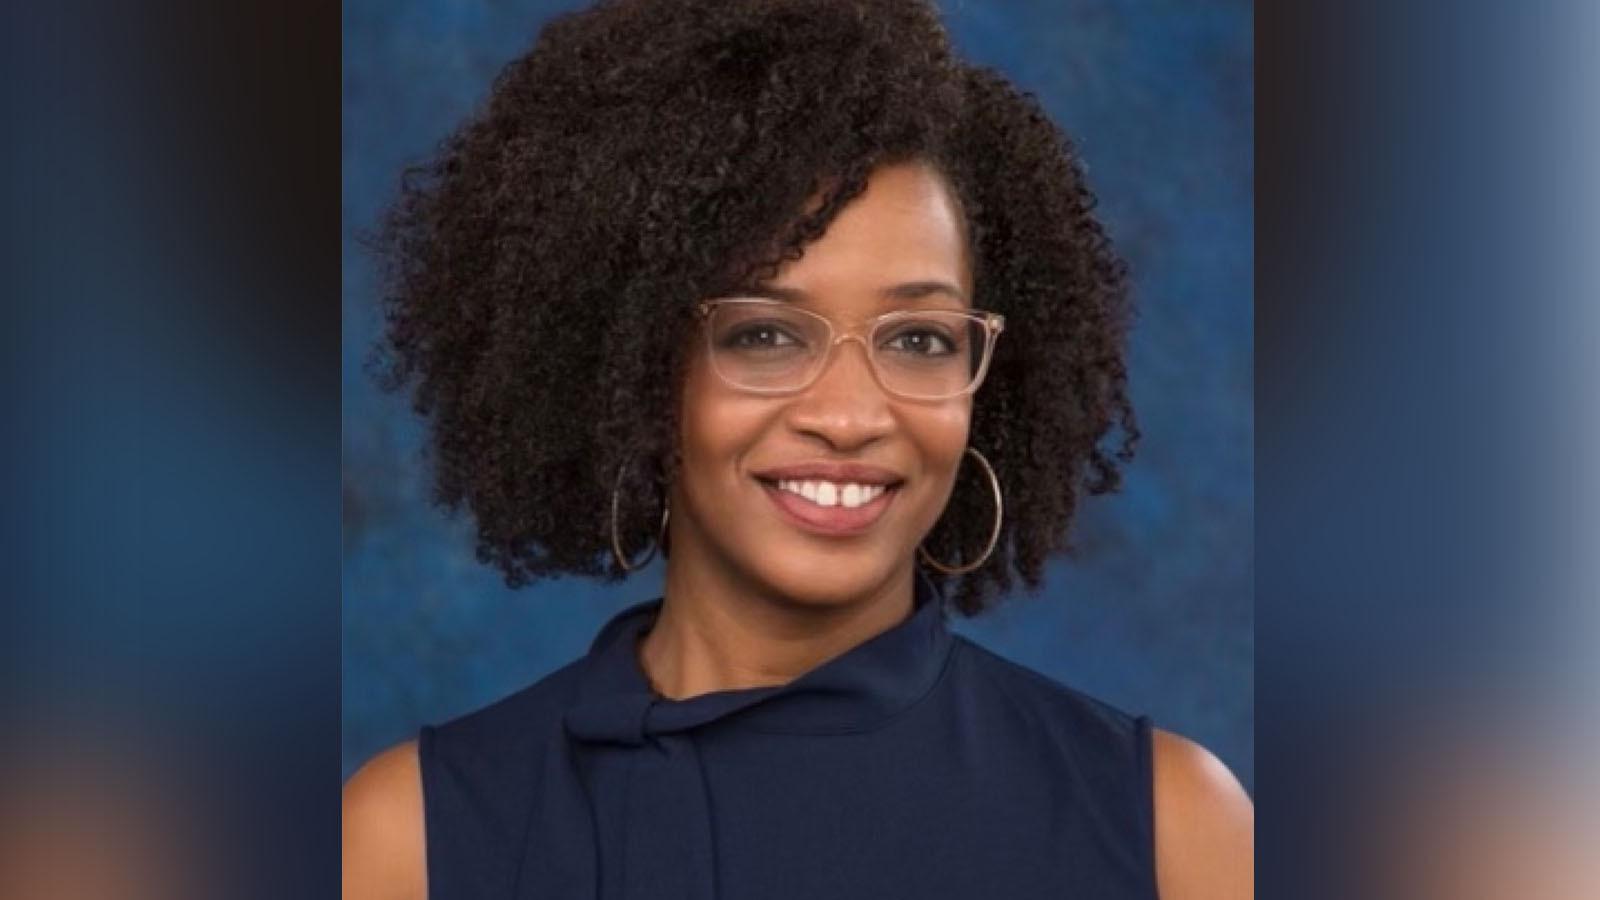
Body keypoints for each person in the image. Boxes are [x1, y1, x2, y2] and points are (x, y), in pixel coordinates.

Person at [343, 1, 1253, 898]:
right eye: (766, 335)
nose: (851, 416)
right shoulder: (410, 839)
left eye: (920, 339)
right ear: (628, 363)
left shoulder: (1171, 826)